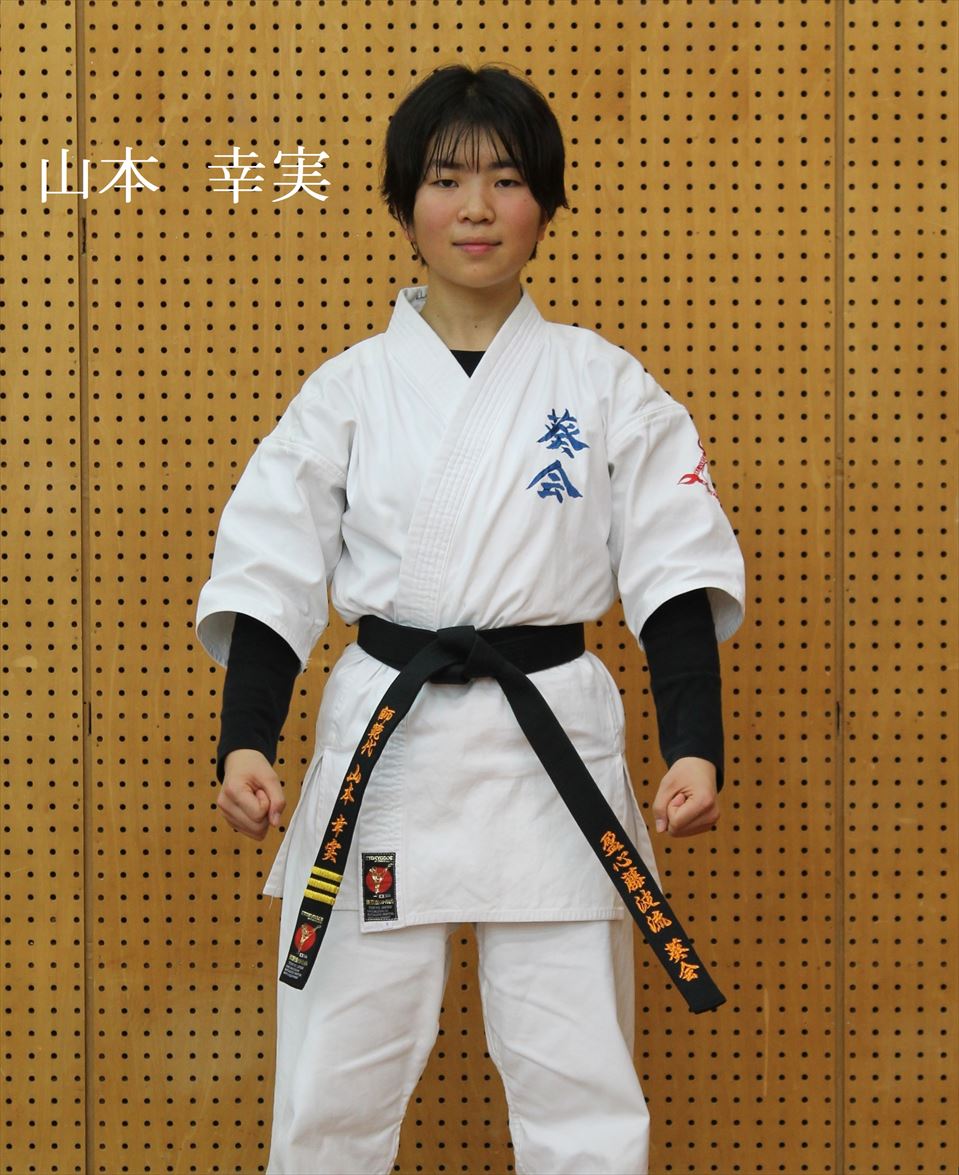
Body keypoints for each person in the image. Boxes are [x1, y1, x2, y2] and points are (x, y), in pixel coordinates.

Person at [196, 64, 745, 1175]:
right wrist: (244, 736)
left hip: (550, 744)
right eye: (446, 180)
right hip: (388, 744)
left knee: (579, 1076)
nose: (477, 207)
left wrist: (694, 741)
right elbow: (272, 570)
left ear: (545, 203)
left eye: (506, 179)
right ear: (404, 206)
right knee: (331, 1077)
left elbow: (673, 570)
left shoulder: (604, 384)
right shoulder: (348, 390)